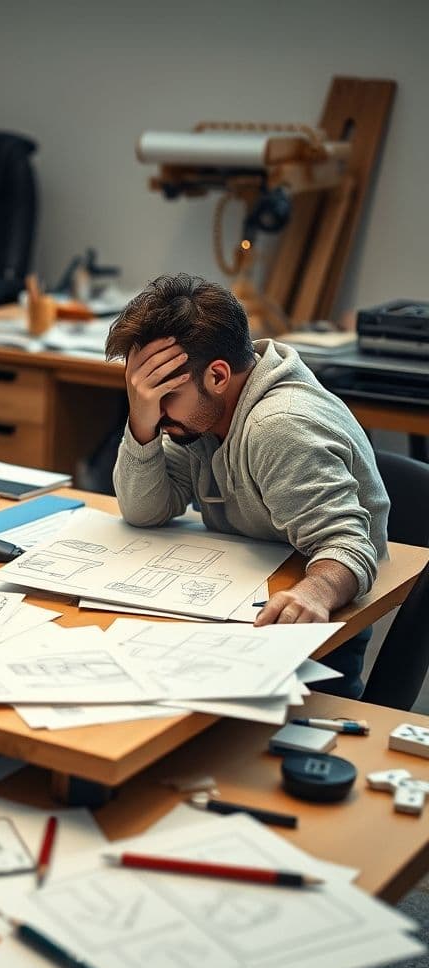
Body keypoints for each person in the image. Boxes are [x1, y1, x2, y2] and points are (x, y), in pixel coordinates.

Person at [105, 273, 389, 698]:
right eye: (142, 394)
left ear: (218, 375)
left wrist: (315, 591)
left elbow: (350, 544)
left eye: (162, 395)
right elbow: (146, 511)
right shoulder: (203, 414)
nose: (156, 411)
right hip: (238, 597)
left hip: (306, 630)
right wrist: (143, 420)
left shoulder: (279, 427)